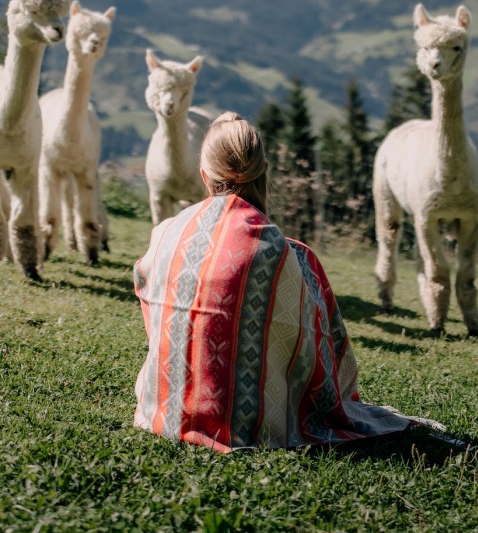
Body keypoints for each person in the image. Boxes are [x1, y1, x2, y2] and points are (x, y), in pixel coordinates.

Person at [133, 112, 414, 452]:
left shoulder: (165, 234)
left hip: (163, 411)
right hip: (251, 426)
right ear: (264, 170)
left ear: (205, 174)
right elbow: (315, 343)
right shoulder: (286, 253)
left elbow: (146, 291)